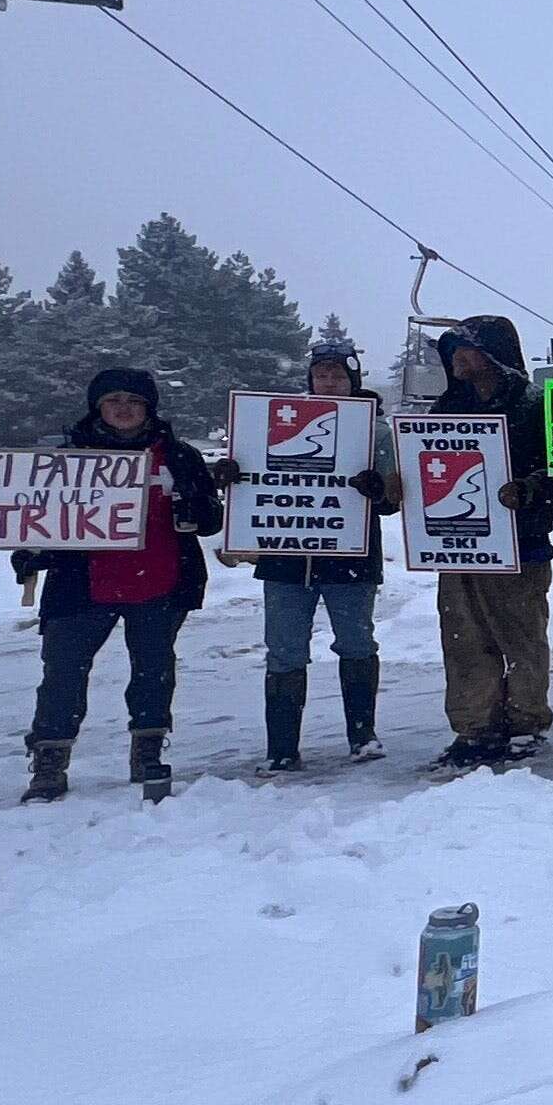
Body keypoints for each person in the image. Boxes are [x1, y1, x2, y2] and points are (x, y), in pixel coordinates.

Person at [15, 365, 222, 804]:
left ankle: (148, 749)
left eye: (134, 401)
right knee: (63, 673)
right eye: (113, 401)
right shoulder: (67, 458)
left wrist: (196, 502)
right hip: (81, 584)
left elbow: (210, 521)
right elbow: (41, 516)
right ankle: (50, 757)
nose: (123, 409)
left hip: (160, 579)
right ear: (97, 407)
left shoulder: (179, 455)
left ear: (149, 408)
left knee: (152, 670)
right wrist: (33, 551)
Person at [228, 326, 403, 775]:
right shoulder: (272, 422)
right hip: (285, 559)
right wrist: (233, 474)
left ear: (352, 380)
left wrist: (377, 490)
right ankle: (282, 746)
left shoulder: (374, 430)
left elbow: (392, 499)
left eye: (336, 376)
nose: (328, 383)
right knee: (284, 651)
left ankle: (363, 735)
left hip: (350, 557)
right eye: (320, 375)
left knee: (356, 642)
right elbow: (253, 479)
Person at [427, 313, 553, 767]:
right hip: (458, 543)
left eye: (464, 350)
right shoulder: (447, 407)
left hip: (521, 542)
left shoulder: (534, 405)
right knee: (464, 639)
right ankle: (475, 726)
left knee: (521, 638)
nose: (456, 360)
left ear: (491, 354)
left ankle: (526, 722)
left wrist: (530, 488)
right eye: (452, 352)